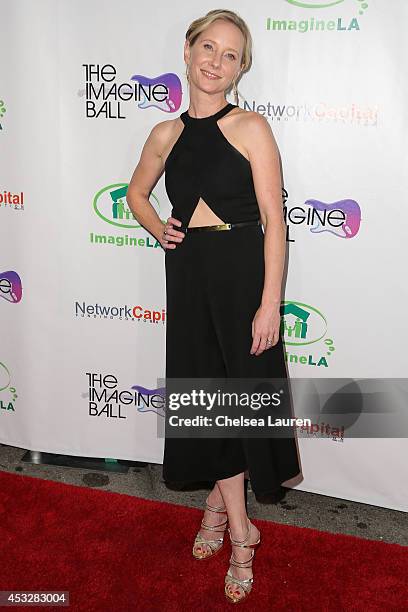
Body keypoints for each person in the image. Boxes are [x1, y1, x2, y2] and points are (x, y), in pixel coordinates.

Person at [126, 9, 301, 604]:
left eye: (230, 54)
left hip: (242, 276)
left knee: (243, 404)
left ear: (240, 67)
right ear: (188, 48)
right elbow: (135, 192)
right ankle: (239, 527)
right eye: (208, 46)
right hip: (190, 275)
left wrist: (270, 303)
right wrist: (158, 229)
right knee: (209, 401)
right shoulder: (165, 135)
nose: (215, 61)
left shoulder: (252, 127)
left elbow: (276, 222)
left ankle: (225, 519)